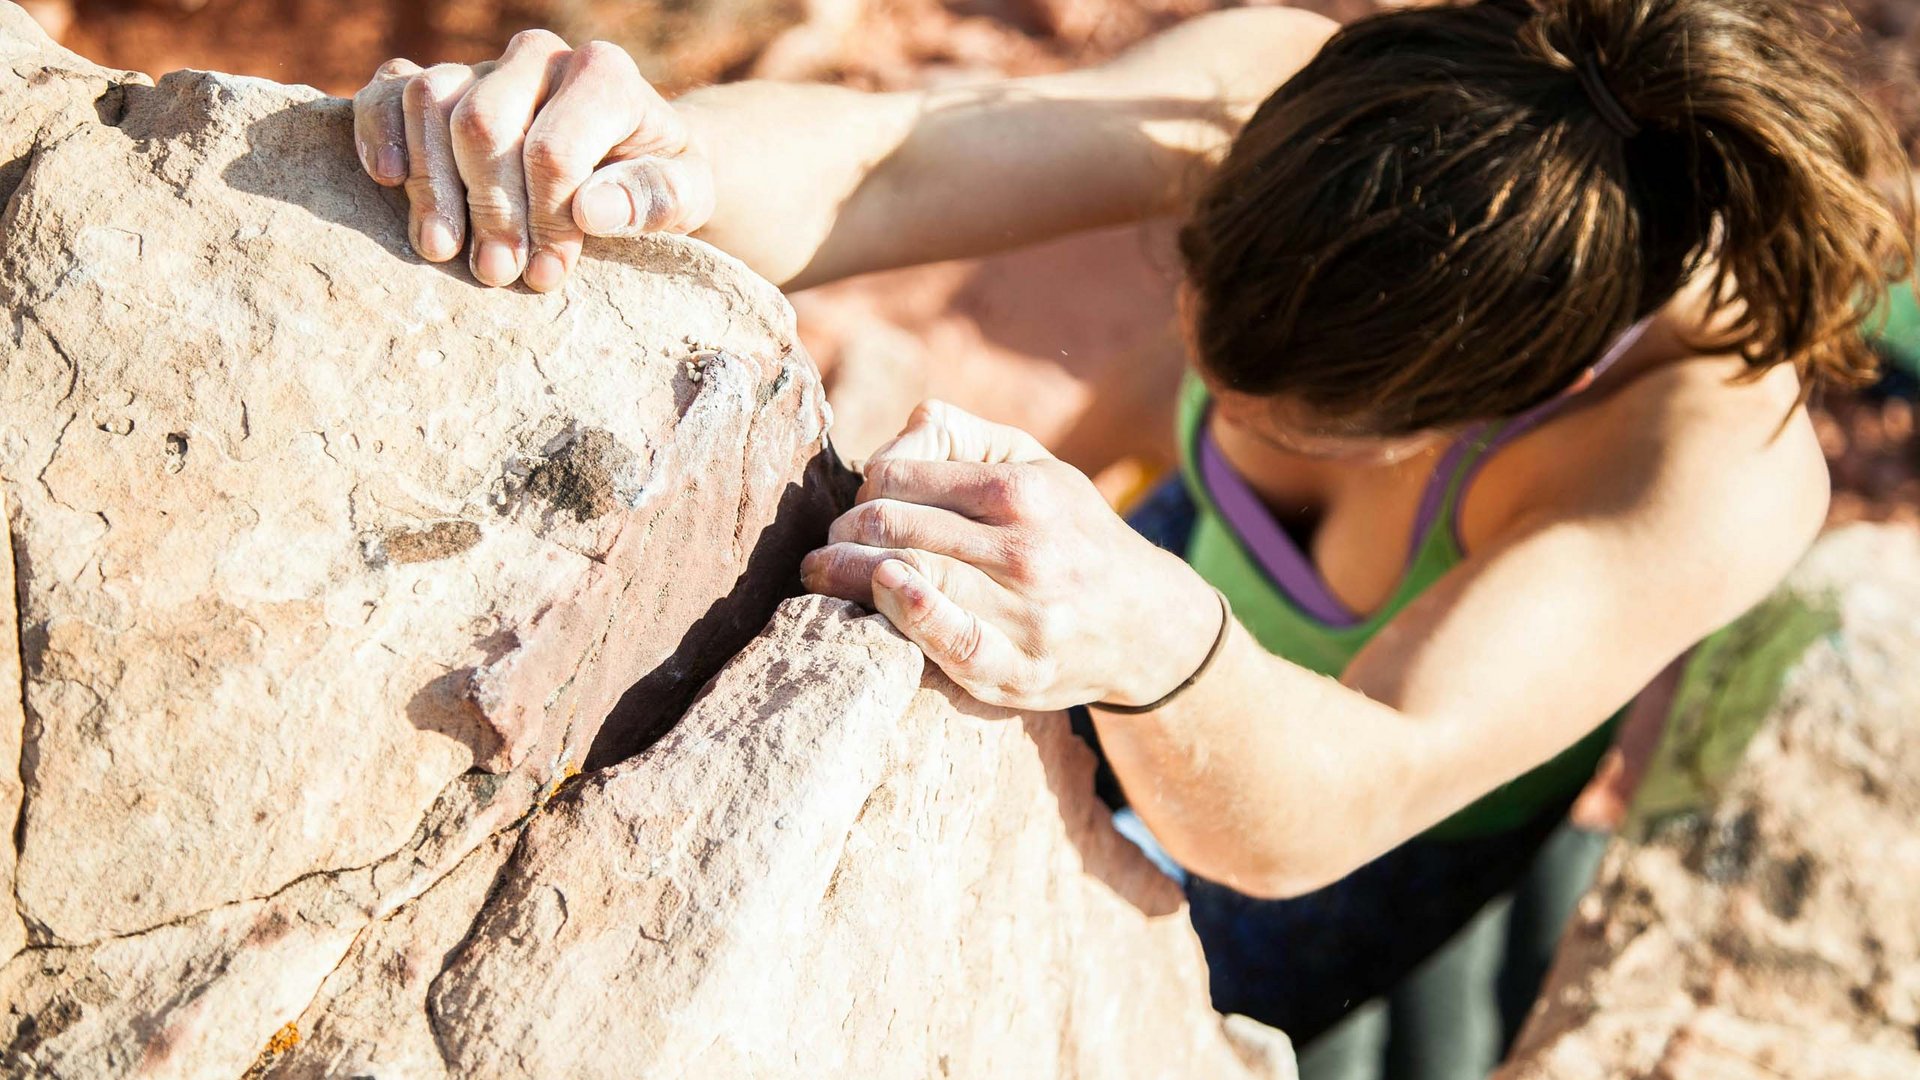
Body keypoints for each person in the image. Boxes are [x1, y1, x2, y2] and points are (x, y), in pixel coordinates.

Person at [352, 0, 1910, 1074]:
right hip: (1166, 590)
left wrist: (1152, 631)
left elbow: (1355, 783)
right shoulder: (1312, 98)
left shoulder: (1706, 464)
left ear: (1474, 414)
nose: (1205, 370)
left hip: (1327, 835)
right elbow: (903, 161)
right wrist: (637, 161)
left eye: (1285, 421)